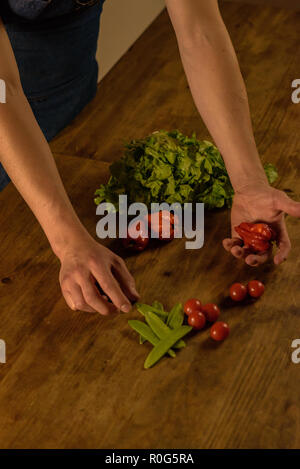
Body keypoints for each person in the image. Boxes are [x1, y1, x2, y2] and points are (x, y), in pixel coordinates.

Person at [0, 0, 299, 316]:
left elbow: (200, 31)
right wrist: (68, 242)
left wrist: (249, 183)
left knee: (70, 133)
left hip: (67, 46)